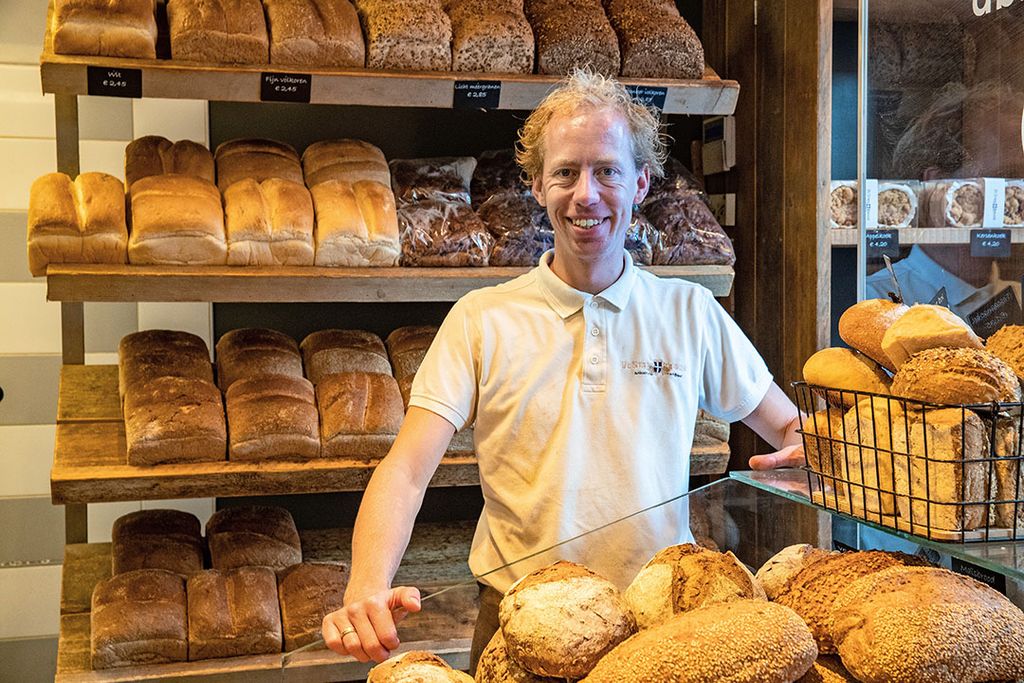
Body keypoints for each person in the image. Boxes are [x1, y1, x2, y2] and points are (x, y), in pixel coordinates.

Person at [321, 69, 805, 672]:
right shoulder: (482, 318)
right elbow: (407, 471)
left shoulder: (688, 311)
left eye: (607, 171)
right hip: (521, 618)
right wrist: (366, 585)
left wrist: (805, 453)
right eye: (565, 173)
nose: (586, 194)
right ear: (535, 185)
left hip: (657, 616)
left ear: (640, 183)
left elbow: (789, 430)